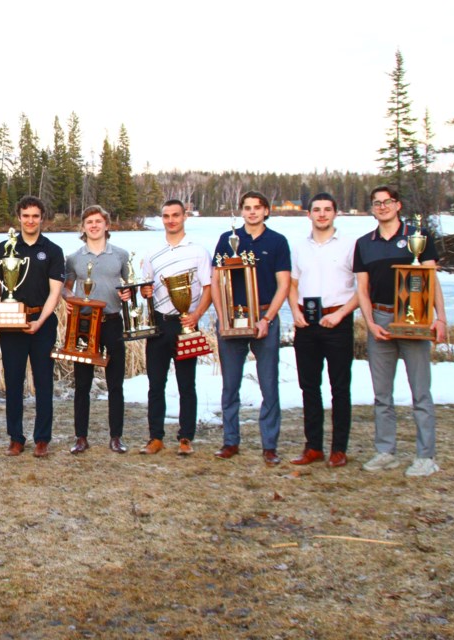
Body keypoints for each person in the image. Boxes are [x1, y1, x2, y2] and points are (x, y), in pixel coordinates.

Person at [354, 185, 446, 477]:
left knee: (420, 392)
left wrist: (440, 318)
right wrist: (370, 323)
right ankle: (385, 451)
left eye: (387, 202)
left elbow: (431, 280)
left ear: (398, 205)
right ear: (372, 209)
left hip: (414, 320)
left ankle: (425, 456)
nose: (382, 207)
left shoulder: (417, 238)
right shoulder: (364, 243)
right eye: (376, 203)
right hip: (379, 319)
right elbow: (362, 289)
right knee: (382, 395)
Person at [211, 191, 291, 465]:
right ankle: (230, 441)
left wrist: (267, 318)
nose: (252, 212)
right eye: (247, 208)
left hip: (264, 319)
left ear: (266, 211)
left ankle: (270, 445)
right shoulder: (228, 239)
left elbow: (284, 284)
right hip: (233, 319)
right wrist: (222, 318)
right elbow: (216, 280)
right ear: (241, 212)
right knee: (230, 385)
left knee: (269, 385)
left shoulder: (278, 242)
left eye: (258, 208)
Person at [0, 195, 64, 457]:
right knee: (13, 381)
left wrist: (40, 321)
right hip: (10, 324)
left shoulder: (52, 250)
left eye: (35, 216)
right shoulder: (4, 248)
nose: (30, 221)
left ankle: (42, 439)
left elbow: (55, 292)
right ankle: (16, 438)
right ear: (19, 217)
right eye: (26, 216)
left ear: (42, 218)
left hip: (43, 322)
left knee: (43, 382)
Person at [288, 193, 358, 468]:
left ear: (335, 214)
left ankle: (338, 449)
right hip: (307, 324)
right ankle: (313, 446)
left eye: (327, 210)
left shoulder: (350, 245)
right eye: (316, 210)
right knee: (309, 387)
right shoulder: (300, 247)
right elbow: (293, 285)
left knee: (340, 388)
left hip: (337, 322)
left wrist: (341, 314)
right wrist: (295, 311)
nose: (322, 214)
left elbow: (361, 290)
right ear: (309, 214)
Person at [139, 199, 213, 456]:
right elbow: (146, 290)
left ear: (184, 217)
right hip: (160, 324)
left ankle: (185, 437)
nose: (171, 220)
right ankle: (155, 437)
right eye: (166, 216)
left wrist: (196, 315)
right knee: (155, 384)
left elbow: (208, 288)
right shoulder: (152, 253)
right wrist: (146, 292)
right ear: (162, 219)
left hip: (185, 324)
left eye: (175, 215)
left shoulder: (198, 251)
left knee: (186, 384)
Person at [62, 205, 131, 454]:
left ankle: (116, 436)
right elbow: (66, 287)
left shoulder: (121, 255)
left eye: (98, 221)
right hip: (83, 325)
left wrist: (128, 292)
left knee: (115, 383)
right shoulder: (73, 258)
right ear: (83, 227)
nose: (93, 225)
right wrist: (68, 299)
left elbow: (129, 284)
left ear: (107, 225)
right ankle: (81, 437)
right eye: (89, 222)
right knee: (82, 384)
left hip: (112, 322)